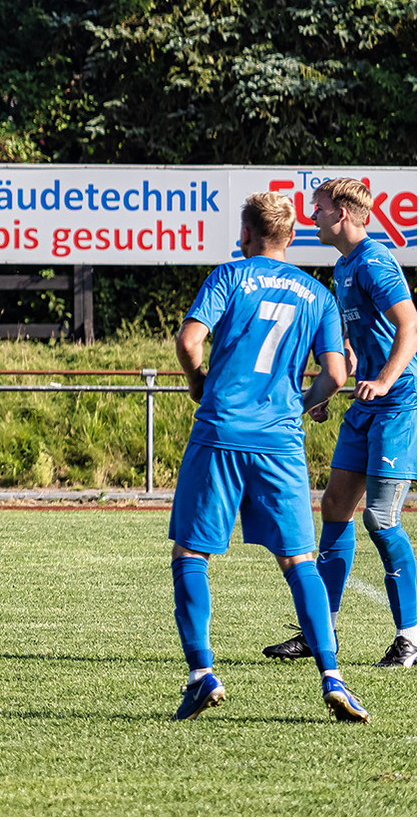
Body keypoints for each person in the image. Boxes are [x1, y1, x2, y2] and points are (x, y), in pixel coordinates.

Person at [169, 191, 367, 722]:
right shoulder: (316, 294)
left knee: (191, 554)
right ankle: (333, 678)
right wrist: (300, 405)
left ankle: (202, 673)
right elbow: (337, 374)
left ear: (247, 235)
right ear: (290, 236)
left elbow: (190, 343)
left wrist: (198, 385)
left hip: (221, 432)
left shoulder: (230, 276)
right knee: (300, 562)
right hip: (279, 443)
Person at [262, 177, 417, 668]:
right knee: (334, 506)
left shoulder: (373, 261)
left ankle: (410, 639)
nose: (313, 216)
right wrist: (326, 390)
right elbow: (351, 344)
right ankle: (318, 631)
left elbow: (410, 325)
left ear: (345, 212)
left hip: (398, 404)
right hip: (366, 403)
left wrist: (387, 380)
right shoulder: (343, 266)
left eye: (321, 208)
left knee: (381, 517)